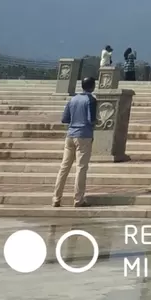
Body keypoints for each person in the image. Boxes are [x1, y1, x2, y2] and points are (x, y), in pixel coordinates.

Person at [52, 76, 97, 208]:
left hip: (70, 135)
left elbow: (65, 119)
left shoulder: (73, 99)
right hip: (84, 135)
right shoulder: (91, 100)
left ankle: (56, 198)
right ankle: (78, 199)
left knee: (64, 167)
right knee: (81, 168)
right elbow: (91, 119)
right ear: (92, 86)